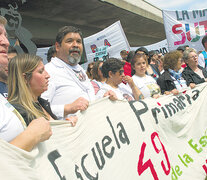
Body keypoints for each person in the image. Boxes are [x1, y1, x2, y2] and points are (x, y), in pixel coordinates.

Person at [0, 15, 52, 151]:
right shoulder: (20, 109)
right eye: (40, 71)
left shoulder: (43, 103)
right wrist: (32, 135)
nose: (6, 42)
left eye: (5, 35)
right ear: (25, 78)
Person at [41, 26, 115, 119]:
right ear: (57, 46)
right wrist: (67, 108)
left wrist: (103, 97)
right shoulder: (49, 71)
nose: (75, 45)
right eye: (70, 41)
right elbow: (39, 109)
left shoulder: (80, 70)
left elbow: (87, 100)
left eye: (79, 42)